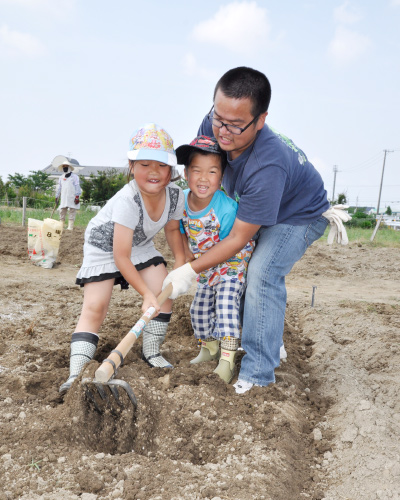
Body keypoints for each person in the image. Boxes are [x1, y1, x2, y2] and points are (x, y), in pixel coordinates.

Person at [163, 67, 340, 394]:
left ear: (261, 120)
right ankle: (267, 339)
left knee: (261, 272)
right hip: (251, 202)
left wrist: (189, 268)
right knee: (233, 267)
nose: (223, 132)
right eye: (219, 118)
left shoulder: (266, 165)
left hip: (298, 212)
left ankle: (259, 374)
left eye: (235, 125)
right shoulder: (214, 125)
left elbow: (238, 238)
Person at [59, 123, 185, 394]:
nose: (154, 172)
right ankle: (76, 373)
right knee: (96, 307)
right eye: (144, 164)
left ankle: (151, 352)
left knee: (165, 290)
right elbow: (120, 256)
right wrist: (145, 294)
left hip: (139, 244)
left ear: (171, 169)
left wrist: (181, 264)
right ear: (131, 165)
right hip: (104, 246)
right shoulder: (128, 200)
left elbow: (173, 230)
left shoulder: (176, 196)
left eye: (162, 166)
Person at [175, 135, 254, 383]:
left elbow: (231, 245)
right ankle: (210, 349)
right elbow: (177, 230)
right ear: (186, 174)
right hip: (206, 263)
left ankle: (228, 359)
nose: (203, 178)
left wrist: (198, 263)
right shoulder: (181, 202)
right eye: (196, 170)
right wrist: (185, 256)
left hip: (230, 262)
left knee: (225, 306)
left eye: (212, 171)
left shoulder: (227, 209)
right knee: (198, 310)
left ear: (221, 177)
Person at [53, 156, 82, 231]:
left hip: (72, 197)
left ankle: (70, 227)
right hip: (63, 197)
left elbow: (77, 187)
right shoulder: (61, 177)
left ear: (69, 167)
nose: (65, 168)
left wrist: (77, 197)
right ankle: (61, 226)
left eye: (66, 166)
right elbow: (59, 188)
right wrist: (57, 197)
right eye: (64, 167)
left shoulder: (74, 177)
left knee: (72, 211)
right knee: (62, 211)